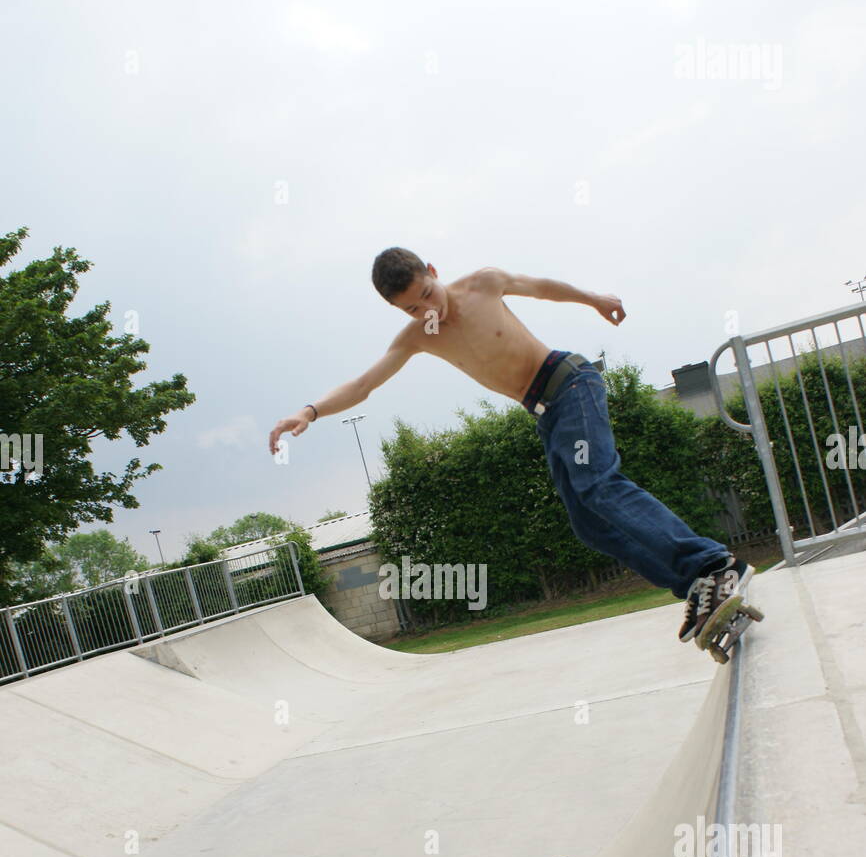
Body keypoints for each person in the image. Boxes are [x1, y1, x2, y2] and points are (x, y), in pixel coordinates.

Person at [269, 247, 752, 644]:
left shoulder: (483, 282)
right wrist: (309, 411)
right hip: (544, 411)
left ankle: (713, 564)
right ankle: (695, 584)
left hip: (571, 384)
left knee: (599, 486)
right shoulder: (418, 337)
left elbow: (541, 287)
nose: (428, 311)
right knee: (589, 525)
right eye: (413, 309)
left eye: (427, 295)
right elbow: (363, 384)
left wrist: (594, 298)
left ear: (434, 271)